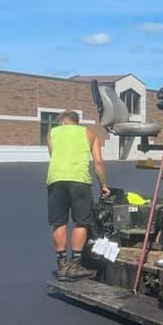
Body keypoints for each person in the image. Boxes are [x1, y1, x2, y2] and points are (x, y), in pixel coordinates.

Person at [47, 110, 110, 280]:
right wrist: (103, 185)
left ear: (62, 122)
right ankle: (74, 265)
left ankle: (62, 265)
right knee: (81, 222)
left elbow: (54, 156)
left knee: (58, 222)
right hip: (79, 181)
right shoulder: (89, 133)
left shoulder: (52, 133)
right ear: (77, 122)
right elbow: (98, 162)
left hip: (55, 180)